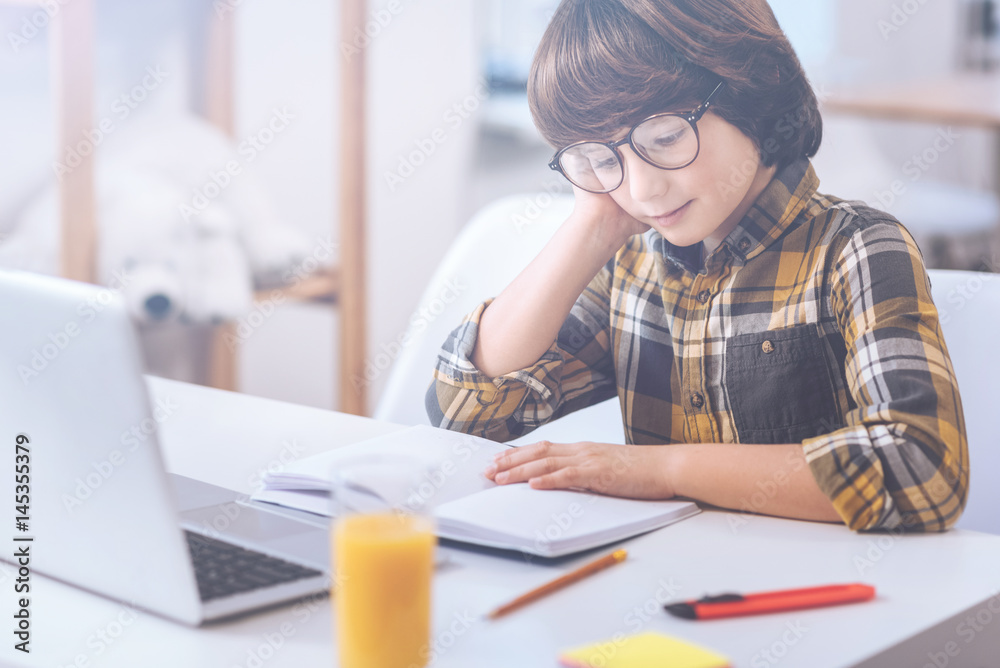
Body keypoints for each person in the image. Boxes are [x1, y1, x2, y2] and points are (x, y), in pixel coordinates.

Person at [425, 0, 968, 532]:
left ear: (752, 93)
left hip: (830, 598)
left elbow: (921, 468)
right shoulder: (632, 267)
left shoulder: (855, 248)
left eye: (665, 138)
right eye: (601, 159)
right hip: (671, 588)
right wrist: (592, 223)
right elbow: (465, 413)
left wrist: (664, 469)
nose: (642, 189)